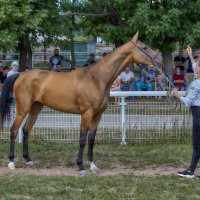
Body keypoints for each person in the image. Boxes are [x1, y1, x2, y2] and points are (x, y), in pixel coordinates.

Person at [173, 46, 200, 178]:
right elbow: (196, 66)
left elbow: (188, 102)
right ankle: (191, 170)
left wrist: (177, 95)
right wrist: (191, 55)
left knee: (196, 145)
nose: (194, 67)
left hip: (198, 114)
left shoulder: (196, 83)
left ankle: (190, 171)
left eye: (197, 66)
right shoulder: (198, 79)